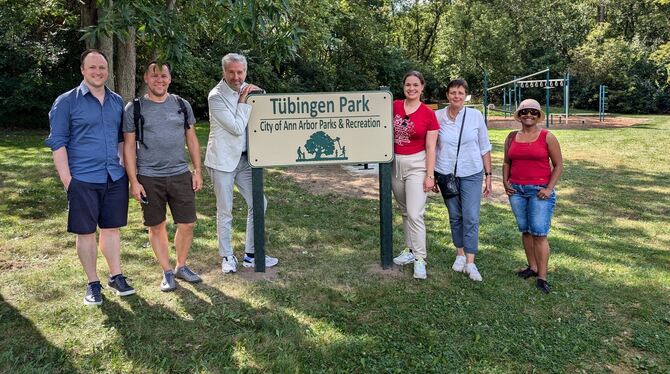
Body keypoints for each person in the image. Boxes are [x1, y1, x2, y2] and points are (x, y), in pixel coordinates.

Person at [45, 49, 135, 305]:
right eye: (92, 67)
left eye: (102, 68)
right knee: (86, 233)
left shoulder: (117, 101)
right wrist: (68, 181)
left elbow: (122, 140)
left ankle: (116, 276)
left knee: (112, 229)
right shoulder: (66, 102)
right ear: (83, 70)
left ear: (108, 71)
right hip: (82, 178)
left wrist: (127, 174)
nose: (98, 72)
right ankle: (93, 282)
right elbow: (58, 143)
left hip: (114, 177)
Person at [123, 61, 203, 292]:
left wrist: (197, 171)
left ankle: (181, 265)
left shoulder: (181, 104)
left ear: (170, 79)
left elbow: (192, 139)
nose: (160, 80)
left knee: (187, 223)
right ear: (146, 79)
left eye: (164, 76)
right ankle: (167, 271)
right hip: (149, 176)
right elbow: (129, 146)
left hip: (180, 173)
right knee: (157, 226)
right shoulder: (134, 108)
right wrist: (134, 181)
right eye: (154, 76)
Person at [205, 53, 279, 273]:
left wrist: (260, 95)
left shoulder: (248, 89)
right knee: (225, 209)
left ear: (245, 71)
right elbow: (237, 127)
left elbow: (263, 114)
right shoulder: (215, 96)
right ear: (224, 72)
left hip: (246, 160)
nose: (236, 77)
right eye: (232, 72)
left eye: (240, 72)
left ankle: (251, 254)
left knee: (259, 203)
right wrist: (243, 101)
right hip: (222, 160)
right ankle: (227, 256)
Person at [433, 79, 492, 282]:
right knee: (455, 215)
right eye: (452, 92)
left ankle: (470, 261)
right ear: (447, 94)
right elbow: (432, 147)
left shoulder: (475, 116)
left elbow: (485, 146)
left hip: (472, 173)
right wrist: (431, 175)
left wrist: (489, 175)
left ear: (465, 95)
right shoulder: (437, 117)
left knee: (471, 216)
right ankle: (459, 254)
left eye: (460, 92)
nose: (456, 96)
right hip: (445, 174)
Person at [503, 99, 563, 294]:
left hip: (539, 191)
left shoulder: (547, 137)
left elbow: (558, 165)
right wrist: (505, 181)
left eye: (533, 112)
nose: (529, 115)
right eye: (524, 112)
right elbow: (506, 162)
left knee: (539, 233)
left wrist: (549, 188)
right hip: (517, 191)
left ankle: (542, 277)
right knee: (526, 231)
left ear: (538, 116)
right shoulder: (511, 137)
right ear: (519, 115)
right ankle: (532, 267)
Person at [391, 71, 439, 279]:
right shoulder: (393, 106)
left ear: (422, 87)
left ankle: (420, 258)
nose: (411, 88)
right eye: (408, 85)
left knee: (414, 213)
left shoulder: (428, 114)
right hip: (395, 163)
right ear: (403, 86)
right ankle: (409, 250)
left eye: (415, 85)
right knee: (404, 210)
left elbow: (431, 147)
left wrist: (430, 175)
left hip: (417, 165)